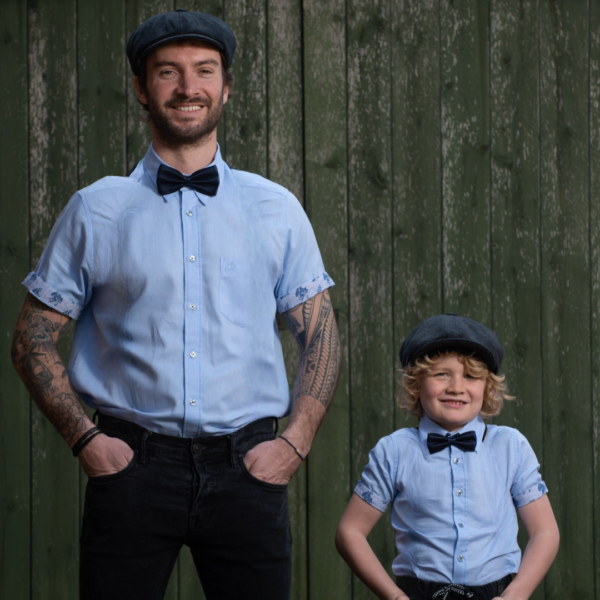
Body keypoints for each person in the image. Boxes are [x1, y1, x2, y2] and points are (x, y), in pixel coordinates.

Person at [11, 9, 340, 600]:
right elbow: (31, 338)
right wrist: (88, 441)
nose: (189, 87)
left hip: (250, 468)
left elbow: (320, 334)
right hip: (131, 466)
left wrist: (295, 441)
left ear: (226, 86)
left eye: (204, 71)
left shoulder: (277, 208)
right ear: (142, 88)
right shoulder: (95, 210)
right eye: (168, 72)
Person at [335, 313, 559, 600]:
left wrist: (517, 595)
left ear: (487, 387)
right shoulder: (394, 451)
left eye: (470, 376)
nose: (456, 386)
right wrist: (394, 597)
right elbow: (349, 531)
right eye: (442, 373)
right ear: (416, 383)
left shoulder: (511, 446)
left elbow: (545, 532)